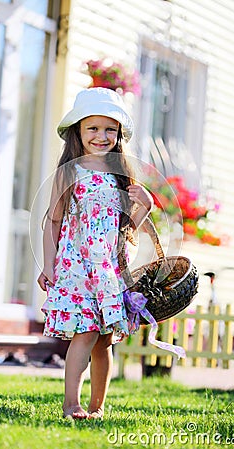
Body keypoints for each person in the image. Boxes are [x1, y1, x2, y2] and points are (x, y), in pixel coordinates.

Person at [37, 87, 153, 420]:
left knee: (104, 340)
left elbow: (128, 229)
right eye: (93, 128)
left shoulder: (121, 174)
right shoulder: (70, 172)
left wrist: (144, 205)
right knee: (85, 332)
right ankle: (70, 403)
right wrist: (49, 265)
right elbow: (53, 221)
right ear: (78, 131)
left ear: (119, 134)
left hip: (110, 268)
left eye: (109, 129)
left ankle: (97, 406)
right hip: (77, 266)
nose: (101, 136)